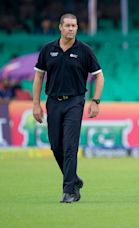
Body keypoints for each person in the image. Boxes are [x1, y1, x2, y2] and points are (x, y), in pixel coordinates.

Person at [32, 13, 104, 203]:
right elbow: (39, 77)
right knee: (56, 146)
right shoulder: (48, 49)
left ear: (77, 28)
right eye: (68, 25)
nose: (71, 28)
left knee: (70, 146)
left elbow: (99, 76)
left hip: (75, 101)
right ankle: (73, 180)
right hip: (53, 102)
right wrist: (36, 104)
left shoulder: (85, 51)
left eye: (74, 25)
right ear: (60, 27)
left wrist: (95, 101)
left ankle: (69, 191)